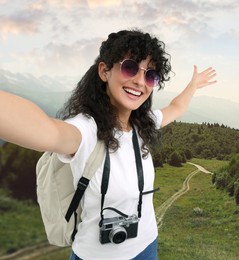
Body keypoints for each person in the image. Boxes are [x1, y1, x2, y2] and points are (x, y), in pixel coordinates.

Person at [0, 29, 217, 260]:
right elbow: (46, 130)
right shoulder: (86, 130)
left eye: (150, 75)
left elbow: (176, 107)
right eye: (130, 67)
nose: (140, 81)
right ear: (104, 71)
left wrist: (193, 85)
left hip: (147, 246)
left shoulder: (142, 125)